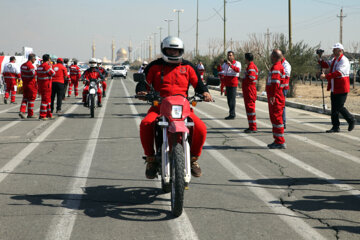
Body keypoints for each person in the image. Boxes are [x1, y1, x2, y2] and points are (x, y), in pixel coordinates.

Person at [136, 36, 213, 179]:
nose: (173, 53)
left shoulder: (189, 67)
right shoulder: (154, 66)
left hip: (183, 108)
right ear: (164, 50)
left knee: (201, 128)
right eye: (169, 50)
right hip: (159, 106)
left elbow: (199, 85)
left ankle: (194, 159)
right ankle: (151, 159)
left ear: (181, 51)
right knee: (146, 123)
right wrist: (142, 91)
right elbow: (143, 83)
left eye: (176, 51)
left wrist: (205, 93)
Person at [319, 43, 356, 133]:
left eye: (334, 50)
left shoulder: (344, 60)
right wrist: (320, 57)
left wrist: (326, 76)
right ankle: (335, 126)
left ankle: (351, 119)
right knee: (334, 108)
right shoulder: (334, 59)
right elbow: (325, 64)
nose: (333, 51)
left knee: (339, 106)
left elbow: (338, 73)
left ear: (340, 50)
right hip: (334, 87)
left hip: (342, 87)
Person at [266, 50, 286, 149]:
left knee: (277, 119)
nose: (270, 57)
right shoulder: (277, 66)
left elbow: (275, 83)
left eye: (271, 55)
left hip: (276, 96)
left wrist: (273, 96)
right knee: (275, 118)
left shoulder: (276, 67)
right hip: (276, 95)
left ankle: (280, 141)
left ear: (274, 57)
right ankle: (277, 140)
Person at [218, 51, 241, 119]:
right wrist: (220, 64)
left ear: (233, 56)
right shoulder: (225, 64)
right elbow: (220, 70)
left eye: (230, 55)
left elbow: (237, 70)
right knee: (228, 99)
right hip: (227, 83)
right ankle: (231, 113)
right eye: (228, 55)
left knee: (232, 99)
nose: (229, 57)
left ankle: (232, 114)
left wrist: (231, 65)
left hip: (233, 83)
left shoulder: (237, 63)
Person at [241, 53, 258, 133]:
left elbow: (251, 78)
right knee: (249, 109)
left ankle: (253, 127)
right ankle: (251, 126)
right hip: (249, 89)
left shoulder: (251, 67)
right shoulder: (251, 66)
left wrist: (243, 80)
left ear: (247, 59)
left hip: (250, 90)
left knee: (250, 108)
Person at [37, 54, 56, 120]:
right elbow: (53, 73)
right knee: (45, 101)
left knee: (48, 100)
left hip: (41, 85)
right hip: (46, 85)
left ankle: (49, 114)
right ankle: (42, 115)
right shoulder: (46, 66)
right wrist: (50, 66)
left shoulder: (39, 66)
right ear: (48, 59)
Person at [19, 53, 38, 119]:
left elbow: (21, 74)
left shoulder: (22, 65)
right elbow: (33, 74)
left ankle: (22, 111)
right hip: (31, 85)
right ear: (32, 58)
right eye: (34, 59)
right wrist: (36, 71)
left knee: (25, 98)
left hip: (25, 84)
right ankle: (30, 114)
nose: (35, 60)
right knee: (31, 99)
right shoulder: (31, 66)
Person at [279, 50, 291, 129]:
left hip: (283, 88)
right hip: (278, 88)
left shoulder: (286, 64)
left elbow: (286, 74)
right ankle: (279, 122)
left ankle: (283, 122)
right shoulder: (279, 63)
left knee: (282, 106)